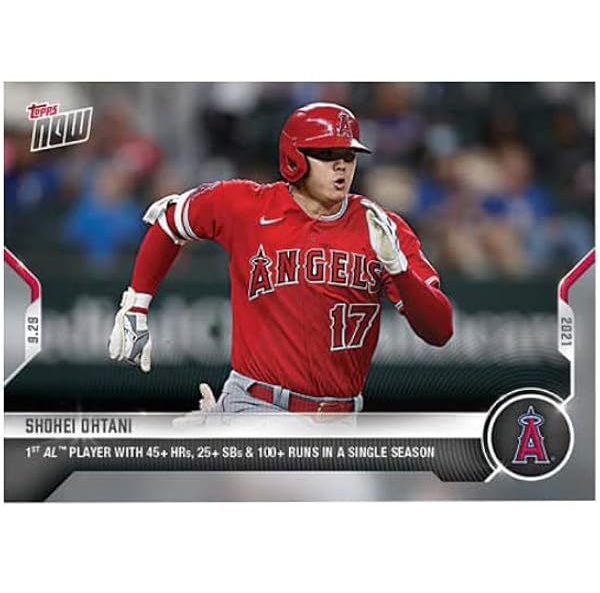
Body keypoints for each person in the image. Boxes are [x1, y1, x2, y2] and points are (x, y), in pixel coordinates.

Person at [109, 102, 453, 413]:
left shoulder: (381, 228)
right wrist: (136, 305)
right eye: (327, 153)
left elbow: (440, 331)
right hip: (259, 404)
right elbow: (169, 223)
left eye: (348, 155)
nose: (341, 165)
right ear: (295, 158)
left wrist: (399, 270)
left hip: (341, 417)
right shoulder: (247, 205)